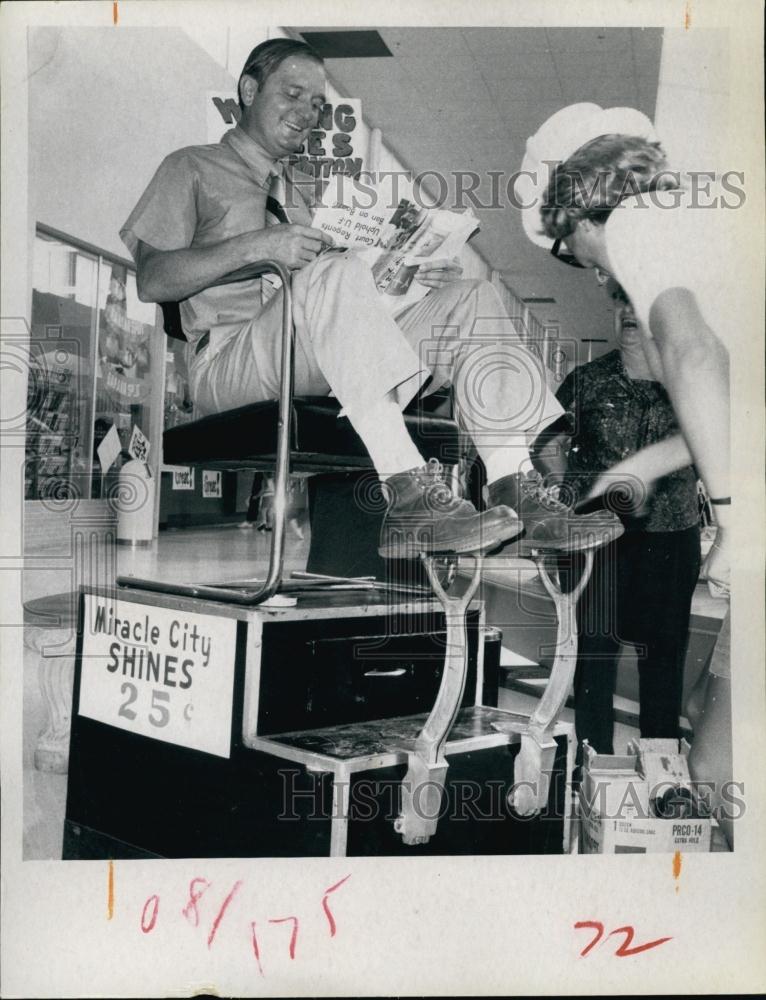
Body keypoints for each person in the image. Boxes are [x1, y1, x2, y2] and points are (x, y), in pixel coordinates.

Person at [120, 39, 619, 560]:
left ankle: (515, 489)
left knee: (471, 297)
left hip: (310, 353)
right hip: (225, 365)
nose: (307, 114)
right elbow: (152, 280)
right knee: (330, 273)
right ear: (248, 89)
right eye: (293, 94)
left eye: (317, 104)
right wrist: (260, 245)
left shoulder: (307, 194)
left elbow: (340, 302)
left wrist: (412, 277)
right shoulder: (192, 168)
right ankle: (408, 496)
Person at [518, 102, 734, 843]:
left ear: (584, 215)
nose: (594, 277)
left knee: (710, 748)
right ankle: (619, 794)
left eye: (569, 247)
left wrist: (730, 514)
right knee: (695, 721)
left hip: (672, 534)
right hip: (611, 537)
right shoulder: (699, 244)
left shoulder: (642, 233)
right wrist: (630, 469)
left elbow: (701, 363)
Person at [536, 288, 702, 761]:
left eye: (640, 304)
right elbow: (543, 442)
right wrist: (571, 492)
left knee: (663, 661)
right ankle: (593, 771)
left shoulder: (687, 382)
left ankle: (660, 777)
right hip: (597, 540)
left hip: (671, 539)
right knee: (593, 658)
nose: (629, 313)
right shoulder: (586, 381)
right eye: (621, 303)